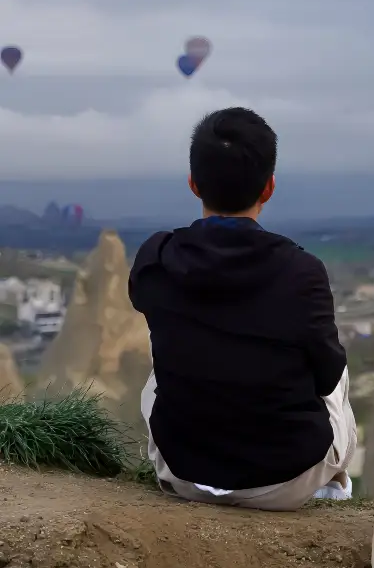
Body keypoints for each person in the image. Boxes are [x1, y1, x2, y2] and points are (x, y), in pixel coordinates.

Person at [129, 106, 357, 510]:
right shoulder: (303, 273)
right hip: (283, 484)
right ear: (268, 187)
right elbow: (325, 376)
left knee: (159, 360)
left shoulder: (158, 258)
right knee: (337, 375)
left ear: (193, 184)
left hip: (183, 475)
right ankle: (331, 485)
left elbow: (143, 299)